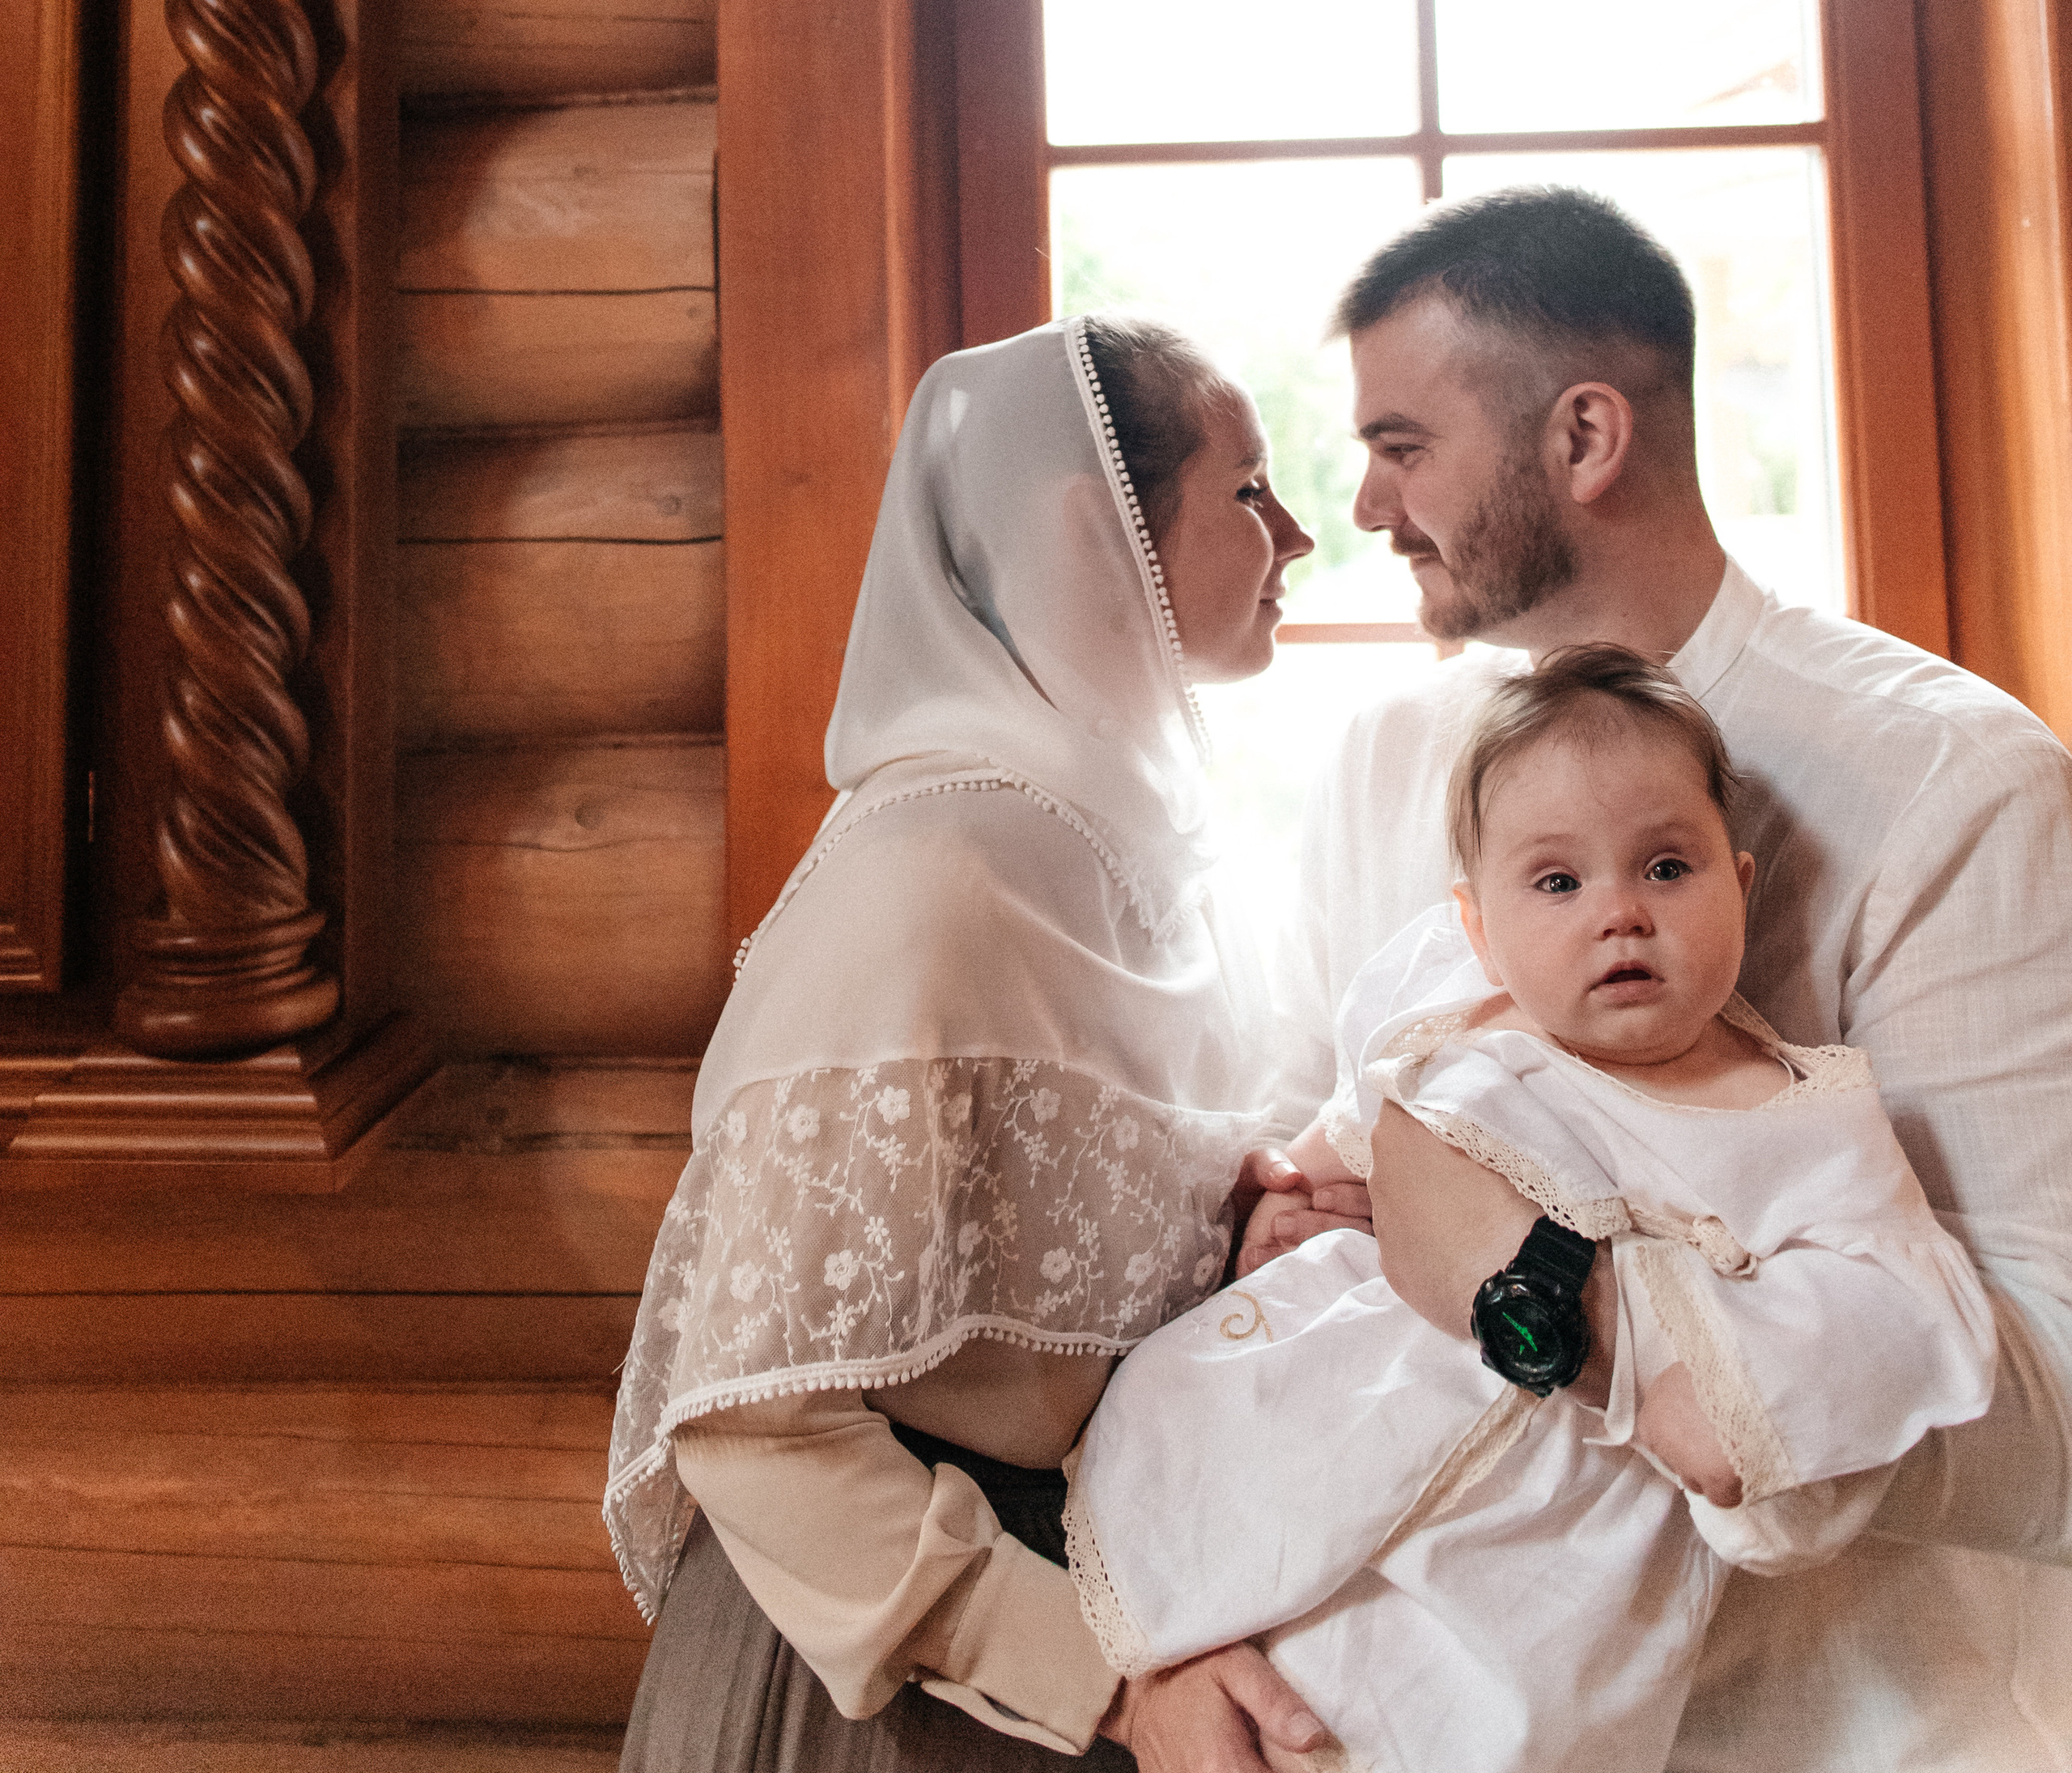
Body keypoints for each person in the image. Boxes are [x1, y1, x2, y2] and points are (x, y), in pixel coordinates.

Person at [1263, 187, 2072, 1771]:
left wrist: (1581, 1309)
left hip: (1854, 1735)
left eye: (1402, 442)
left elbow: (2056, 1404)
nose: (1358, 502)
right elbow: (1282, 1173)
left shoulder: (1946, 785)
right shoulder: (1372, 774)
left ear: (1580, 438)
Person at [608, 312, 1331, 1773]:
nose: (1299, 534)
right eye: (1249, 491)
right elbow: (752, 1424)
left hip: (1148, 1608)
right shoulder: (928, 877)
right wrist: (1112, 1684)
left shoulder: (1170, 860)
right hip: (901, 1681)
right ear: (1094, 529)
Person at [1066, 645, 1996, 1773]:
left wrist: (1712, 1383)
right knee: (1251, 1618)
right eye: (1557, 883)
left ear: (1742, 886)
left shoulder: (1804, 1120)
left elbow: (1894, 1308)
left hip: (1546, 1545)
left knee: (1457, 1717)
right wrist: (1286, 1203)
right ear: (1478, 925)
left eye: (1666, 868)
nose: (1619, 915)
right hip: (1342, 1405)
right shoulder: (1467, 1008)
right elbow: (1338, 1134)